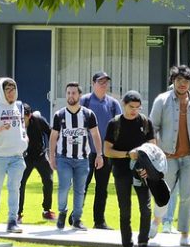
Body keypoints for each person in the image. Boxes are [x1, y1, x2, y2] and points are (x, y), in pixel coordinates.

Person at [149, 65, 190, 247]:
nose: (182, 84)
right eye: (179, 80)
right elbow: (153, 128)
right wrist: (154, 153)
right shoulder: (162, 100)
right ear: (173, 81)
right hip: (167, 156)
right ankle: (156, 221)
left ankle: (185, 234)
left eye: (186, 81)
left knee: (187, 196)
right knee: (163, 193)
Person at [104, 90, 157, 247]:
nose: (134, 111)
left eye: (137, 107)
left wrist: (144, 157)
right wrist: (128, 154)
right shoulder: (115, 124)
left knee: (146, 209)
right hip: (121, 171)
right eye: (130, 107)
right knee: (125, 210)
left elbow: (153, 147)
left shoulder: (145, 122)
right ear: (123, 104)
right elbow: (107, 150)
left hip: (142, 171)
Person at [49, 82, 103, 231]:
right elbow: (54, 137)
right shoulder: (59, 115)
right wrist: (52, 156)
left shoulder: (88, 114)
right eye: (68, 93)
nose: (70, 96)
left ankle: (77, 219)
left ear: (79, 95)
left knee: (80, 190)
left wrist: (99, 154)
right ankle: (62, 212)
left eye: (73, 93)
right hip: (63, 158)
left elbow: (95, 135)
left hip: (82, 159)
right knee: (64, 186)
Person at [0, 78, 28, 233]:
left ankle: (12, 220)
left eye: (13, 89)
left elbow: (22, 126)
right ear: (2, 91)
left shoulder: (19, 106)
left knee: (14, 187)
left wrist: (24, 139)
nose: (11, 93)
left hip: (17, 155)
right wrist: (0, 129)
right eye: (8, 89)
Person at [80, 71, 122, 230]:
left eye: (106, 82)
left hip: (105, 154)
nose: (103, 85)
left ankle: (99, 221)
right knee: (82, 186)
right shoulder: (85, 101)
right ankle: (75, 217)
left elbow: (119, 126)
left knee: (102, 188)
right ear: (93, 84)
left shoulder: (112, 104)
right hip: (85, 152)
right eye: (100, 82)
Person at [18, 103, 56, 222]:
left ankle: (47, 210)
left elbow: (51, 133)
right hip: (24, 157)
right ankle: (18, 213)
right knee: (20, 183)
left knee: (48, 181)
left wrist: (51, 152)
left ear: (29, 116)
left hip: (40, 155)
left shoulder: (39, 121)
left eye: (23, 117)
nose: (21, 120)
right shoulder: (16, 123)